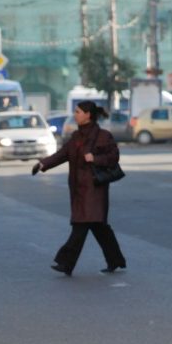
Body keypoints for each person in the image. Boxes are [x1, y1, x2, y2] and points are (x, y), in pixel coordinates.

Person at [32, 100, 126, 276]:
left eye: (78, 112)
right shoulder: (77, 137)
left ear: (88, 114)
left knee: (80, 226)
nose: (75, 115)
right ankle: (116, 260)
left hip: (94, 190)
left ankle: (66, 263)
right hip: (78, 190)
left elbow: (114, 157)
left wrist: (95, 159)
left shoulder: (103, 136)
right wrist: (42, 164)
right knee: (100, 228)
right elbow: (62, 154)